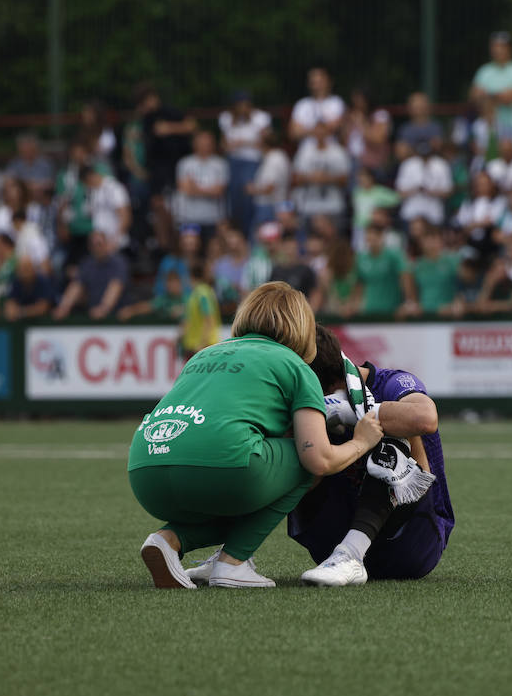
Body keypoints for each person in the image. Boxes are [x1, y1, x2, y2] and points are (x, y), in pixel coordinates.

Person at [129, 282, 386, 589]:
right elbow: (318, 458)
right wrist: (362, 441)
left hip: (145, 472)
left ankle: (168, 539)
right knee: (303, 464)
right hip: (223, 469)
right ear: (301, 326)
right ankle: (233, 563)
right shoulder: (295, 366)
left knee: (234, 483)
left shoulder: (205, 354)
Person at [250, 325, 454, 586]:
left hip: (410, 545)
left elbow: (425, 418)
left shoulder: (390, 382)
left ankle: (351, 553)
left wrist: (352, 411)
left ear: (332, 383)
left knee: (391, 428)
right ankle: (233, 556)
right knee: (283, 443)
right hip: (327, 547)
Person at [218, 90, 271, 234]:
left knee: (248, 197)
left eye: (245, 105)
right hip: (233, 161)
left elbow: (266, 142)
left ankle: (248, 231)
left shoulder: (261, 117)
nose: (242, 109)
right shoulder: (226, 118)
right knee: (234, 200)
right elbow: (224, 144)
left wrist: (242, 143)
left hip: (252, 161)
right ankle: (236, 231)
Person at [53, 230, 127, 320]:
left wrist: (104, 308)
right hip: (93, 313)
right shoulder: (87, 264)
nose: (97, 248)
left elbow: (115, 286)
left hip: (116, 315)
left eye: (99, 244)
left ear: (106, 244)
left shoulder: (118, 263)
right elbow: (76, 286)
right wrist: (64, 307)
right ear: (89, 247)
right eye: (93, 245)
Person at [174, 130, 228, 238]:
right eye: (201, 143)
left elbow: (219, 191)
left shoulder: (221, 164)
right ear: (195, 144)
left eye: (208, 143)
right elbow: (185, 190)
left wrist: (195, 187)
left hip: (214, 218)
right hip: (188, 218)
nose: (205, 146)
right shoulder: (184, 163)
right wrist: (209, 190)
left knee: (213, 250)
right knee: (189, 248)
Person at [470, 31, 512, 124]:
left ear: (509, 48)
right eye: (495, 46)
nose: (498, 50)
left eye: (502, 46)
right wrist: (500, 95)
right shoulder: (484, 70)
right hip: (487, 123)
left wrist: (487, 96)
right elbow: (474, 96)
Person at [289, 66, 344, 142]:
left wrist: (306, 130)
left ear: (329, 81)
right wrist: (324, 129)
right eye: (314, 82)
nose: (317, 86)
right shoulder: (302, 104)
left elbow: (339, 126)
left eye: (320, 81)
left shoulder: (337, 102)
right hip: (307, 149)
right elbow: (293, 133)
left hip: (332, 146)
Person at [2, 256, 56, 321]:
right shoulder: (15, 282)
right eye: (21, 270)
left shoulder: (43, 281)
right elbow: (10, 306)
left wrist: (21, 312)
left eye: (27, 269)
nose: (25, 273)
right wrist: (12, 311)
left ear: (33, 269)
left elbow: (43, 308)